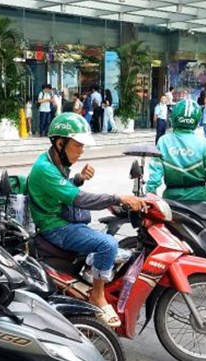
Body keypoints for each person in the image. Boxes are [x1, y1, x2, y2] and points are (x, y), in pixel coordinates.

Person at [27, 113, 144, 327]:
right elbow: (79, 198)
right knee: (107, 244)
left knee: (109, 239)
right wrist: (117, 198)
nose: (81, 151)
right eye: (78, 145)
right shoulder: (44, 169)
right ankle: (97, 296)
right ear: (60, 142)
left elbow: (62, 188)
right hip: (55, 227)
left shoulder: (53, 161)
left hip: (62, 218)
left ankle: (92, 272)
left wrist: (79, 178)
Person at [146, 99, 206, 202]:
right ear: (197, 120)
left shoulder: (163, 142)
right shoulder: (204, 144)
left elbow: (155, 173)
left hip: (172, 201)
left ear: (174, 117)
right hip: (199, 200)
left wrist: (150, 192)